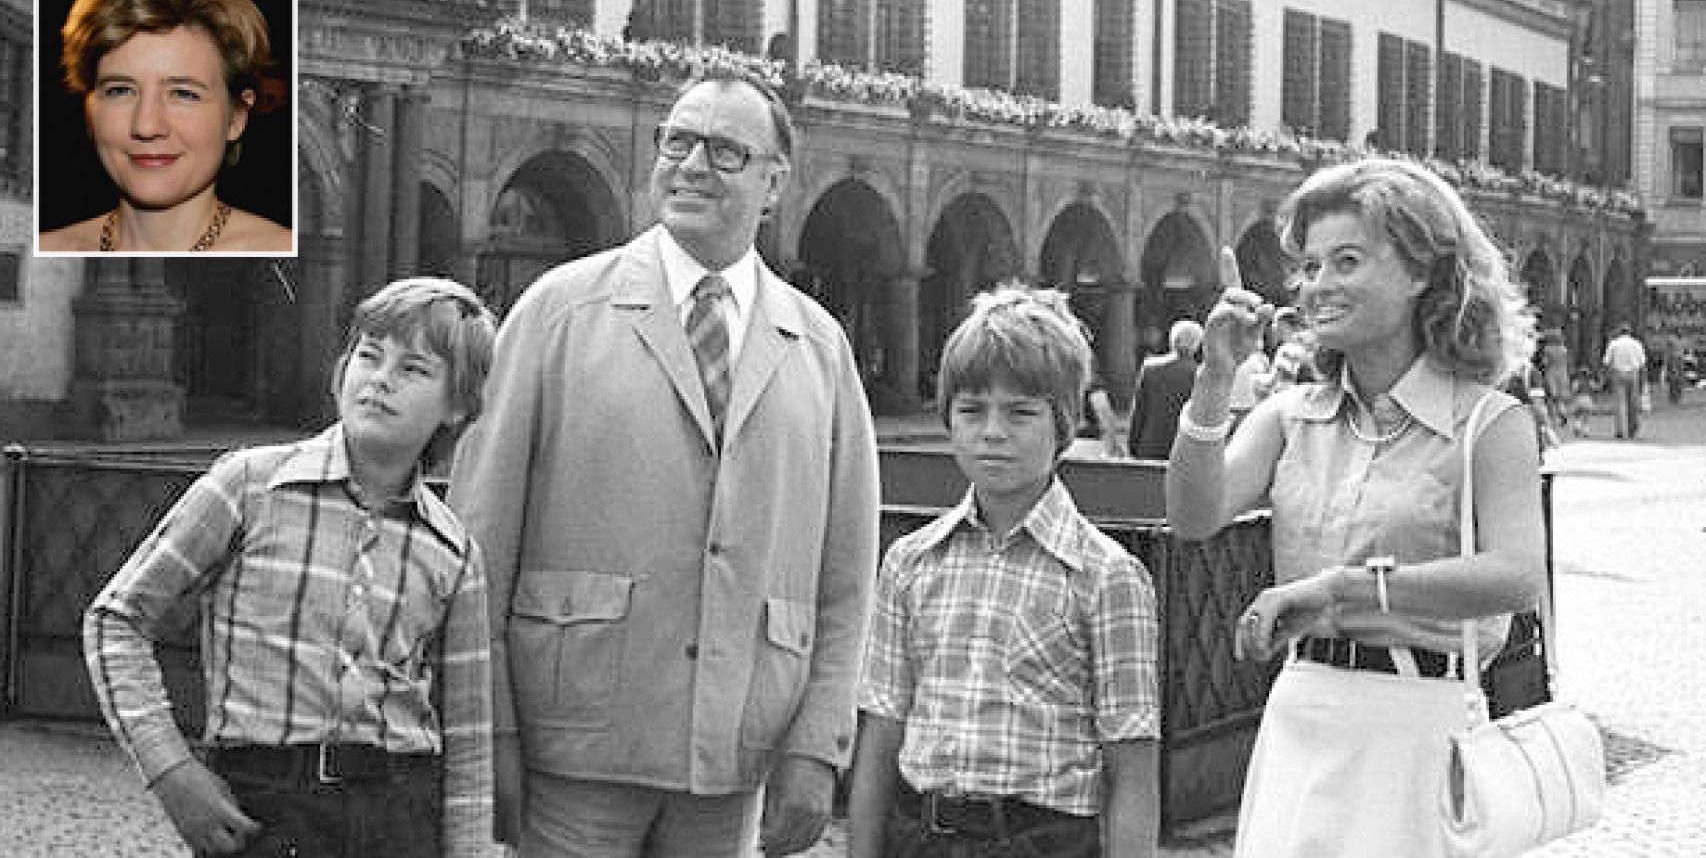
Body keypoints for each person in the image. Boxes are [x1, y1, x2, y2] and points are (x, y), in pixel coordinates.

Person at [448, 70, 881, 858]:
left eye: (724, 150)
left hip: (733, 749)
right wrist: (491, 729)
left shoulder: (820, 346)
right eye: (677, 141)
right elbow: (479, 538)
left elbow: (848, 576)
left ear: (774, 182)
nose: (691, 165)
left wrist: (819, 744)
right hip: (573, 738)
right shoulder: (557, 311)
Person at [1165, 158, 1547, 858]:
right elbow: (1194, 516)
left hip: (1419, 726)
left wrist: (1346, 588)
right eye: (1310, 267)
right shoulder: (1288, 416)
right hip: (1301, 711)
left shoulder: (1490, 423)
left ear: (1422, 272)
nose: (1319, 285)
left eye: (1347, 261)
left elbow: (1518, 577)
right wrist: (1215, 378)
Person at [83, 277, 500, 857]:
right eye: (369, 356)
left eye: (413, 369)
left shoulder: (453, 550)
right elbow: (116, 619)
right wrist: (170, 768)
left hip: (401, 816)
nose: (380, 379)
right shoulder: (249, 487)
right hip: (268, 807)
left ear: (457, 405)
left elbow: (470, 738)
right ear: (341, 371)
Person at [849, 284, 1160, 858]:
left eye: (1020, 413)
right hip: (919, 833)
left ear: (1063, 425)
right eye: (972, 410)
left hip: (1042, 839)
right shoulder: (911, 562)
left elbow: (1133, 767)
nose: (993, 431)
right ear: (949, 419)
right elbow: (882, 732)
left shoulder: (1107, 576)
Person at [40, 0, 291, 253]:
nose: (146, 126)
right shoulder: (44, 250)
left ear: (236, 117)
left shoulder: (282, 253)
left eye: (183, 94)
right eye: (120, 90)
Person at [1125, 319, 1203, 459]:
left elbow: (1139, 411)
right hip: (1183, 450)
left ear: (1172, 341)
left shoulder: (1150, 368)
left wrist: (1132, 445)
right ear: (1197, 345)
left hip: (1148, 446)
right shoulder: (1200, 375)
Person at [1601, 323, 1647, 439]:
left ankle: (1620, 430)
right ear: (1630, 332)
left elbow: (1607, 361)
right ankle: (1632, 430)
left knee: (1620, 403)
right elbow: (1642, 363)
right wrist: (1643, 379)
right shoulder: (1637, 344)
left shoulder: (1614, 343)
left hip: (1618, 372)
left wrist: (1606, 376)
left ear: (1620, 332)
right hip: (1633, 373)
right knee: (1633, 402)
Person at [1540, 330, 1572, 426]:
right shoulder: (1564, 349)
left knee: (1551, 398)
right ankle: (1562, 413)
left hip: (1551, 374)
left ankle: (1554, 418)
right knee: (1560, 398)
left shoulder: (1548, 349)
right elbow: (1567, 362)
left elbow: (1545, 362)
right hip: (1563, 374)